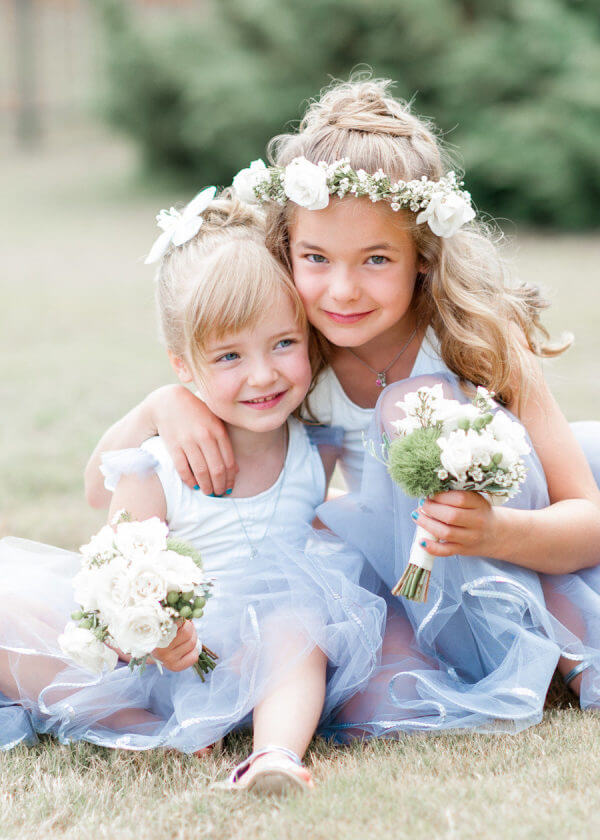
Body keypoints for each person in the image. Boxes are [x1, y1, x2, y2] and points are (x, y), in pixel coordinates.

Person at [83, 78, 600, 732]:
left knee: (415, 408)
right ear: (288, 251)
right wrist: (163, 405)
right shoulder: (296, 359)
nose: (343, 289)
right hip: (406, 576)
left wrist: (497, 532)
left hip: (515, 539)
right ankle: (517, 656)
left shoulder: (476, 341)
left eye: (376, 258)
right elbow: (99, 487)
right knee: (370, 701)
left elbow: (587, 519)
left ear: (423, 256)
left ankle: (552, 635)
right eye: (316, 257)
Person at [0, 191, 384, 791]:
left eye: (283, 343)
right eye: (229, 355)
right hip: (166, 664)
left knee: (298, 621)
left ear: (309, 341)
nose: (262, 375)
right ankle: (153, 732)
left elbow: (310, 526)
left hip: (266, 660)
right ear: (183, 367)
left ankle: (274, 755)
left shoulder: (318, 447)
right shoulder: (154, 469)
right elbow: (114, 586)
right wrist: (152, 640)